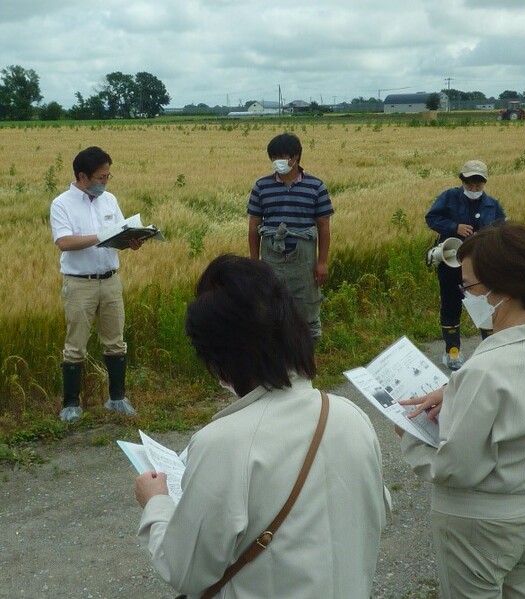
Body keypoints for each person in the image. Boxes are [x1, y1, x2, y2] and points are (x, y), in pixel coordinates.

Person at [134, 255, 388, 598]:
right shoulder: (351, 416)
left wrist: (156, 503)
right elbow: (378, 511)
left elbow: (185, 571)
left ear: (220, 358)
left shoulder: (222, 443)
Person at [397, 223, 525, 599]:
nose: (466, 296)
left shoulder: (485, 368)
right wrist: (454, 391)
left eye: (470, 286)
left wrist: (409, 435)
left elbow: (453, 468)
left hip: (481, 524)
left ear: (503, 289)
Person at [49, 146, 142, 423]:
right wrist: (101, 236)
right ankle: (71, 404)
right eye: (101, 177)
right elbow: (64, 242)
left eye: (108, 176)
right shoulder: (62, 204)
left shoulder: (109, 200)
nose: (105, 182)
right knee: (75, 344)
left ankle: (117, 399)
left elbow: (119, 235)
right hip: (80, 284)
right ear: (82, 176)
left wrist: (131, 241)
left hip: (111, 280)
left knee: (115, 342)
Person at [247, 132, 333, 341]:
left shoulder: (316, 186)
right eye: (273, 157)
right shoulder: (261, 186)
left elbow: (323, 226)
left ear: (296, 157)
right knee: (271, 304)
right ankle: (277, 351)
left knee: (306, 305)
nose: (278, 162)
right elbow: (254, 226)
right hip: (271, 258)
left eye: (282, 156)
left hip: (304, 260)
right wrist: (254, 261)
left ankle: (307, 353)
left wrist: (322, 262)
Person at [425, 160, 506, 370]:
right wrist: (454, 227)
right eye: (469, 184)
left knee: (485, 308)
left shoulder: (493, 205)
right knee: (451, 306)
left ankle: (489, 351)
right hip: (451, 263)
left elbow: (501, 228)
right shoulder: (449, 197)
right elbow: (431, 217)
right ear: (462, 180)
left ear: (485, 183)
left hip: (480, 266)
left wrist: (485, 236)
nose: (473, 188)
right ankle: (452, 352)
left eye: (478, 185)